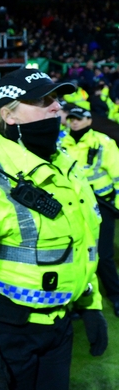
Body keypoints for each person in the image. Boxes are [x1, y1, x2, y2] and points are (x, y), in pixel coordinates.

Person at [0, 68, 107, 390]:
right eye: (43, 100)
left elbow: (83, 243)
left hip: (60, 327)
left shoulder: (65, 164)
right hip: (7, 333)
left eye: (56, 98)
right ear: (9, 115)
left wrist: (91, 303)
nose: (57, 107)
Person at [59, 106, 119, 317]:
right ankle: (75, 299)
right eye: (72, 119)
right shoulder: (60, 144)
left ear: (89, 120)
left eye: (79, 119)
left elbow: (117, 174)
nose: (74, 122)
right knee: (75, 253)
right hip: (72, 206)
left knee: (103, 254)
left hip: (102, 205)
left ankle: (115, 295)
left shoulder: (104, 142)